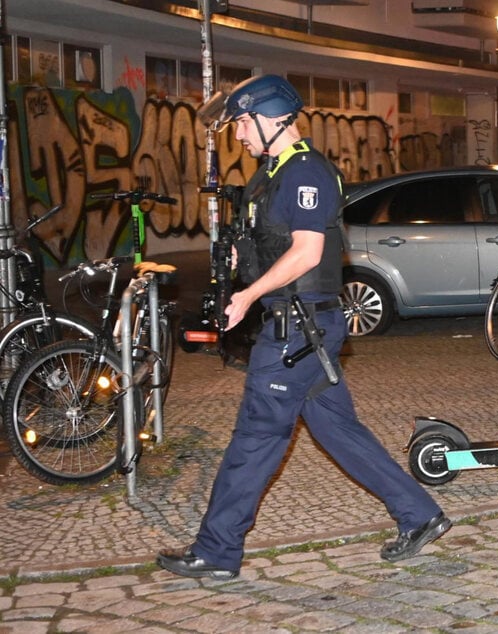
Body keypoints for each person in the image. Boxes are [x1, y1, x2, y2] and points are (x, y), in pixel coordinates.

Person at [158, 75, 450, 579]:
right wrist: (238, 258)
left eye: (243, 124)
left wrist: (248, 296)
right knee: (338, 430)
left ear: (271, 117)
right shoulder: (269, 175)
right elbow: (269, 243)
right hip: (296, 324)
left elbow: (307, 252)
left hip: (297, 328)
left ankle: (217, 551)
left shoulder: (307, 172)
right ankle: (420, 514)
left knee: (256, 436)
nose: (238, 136)